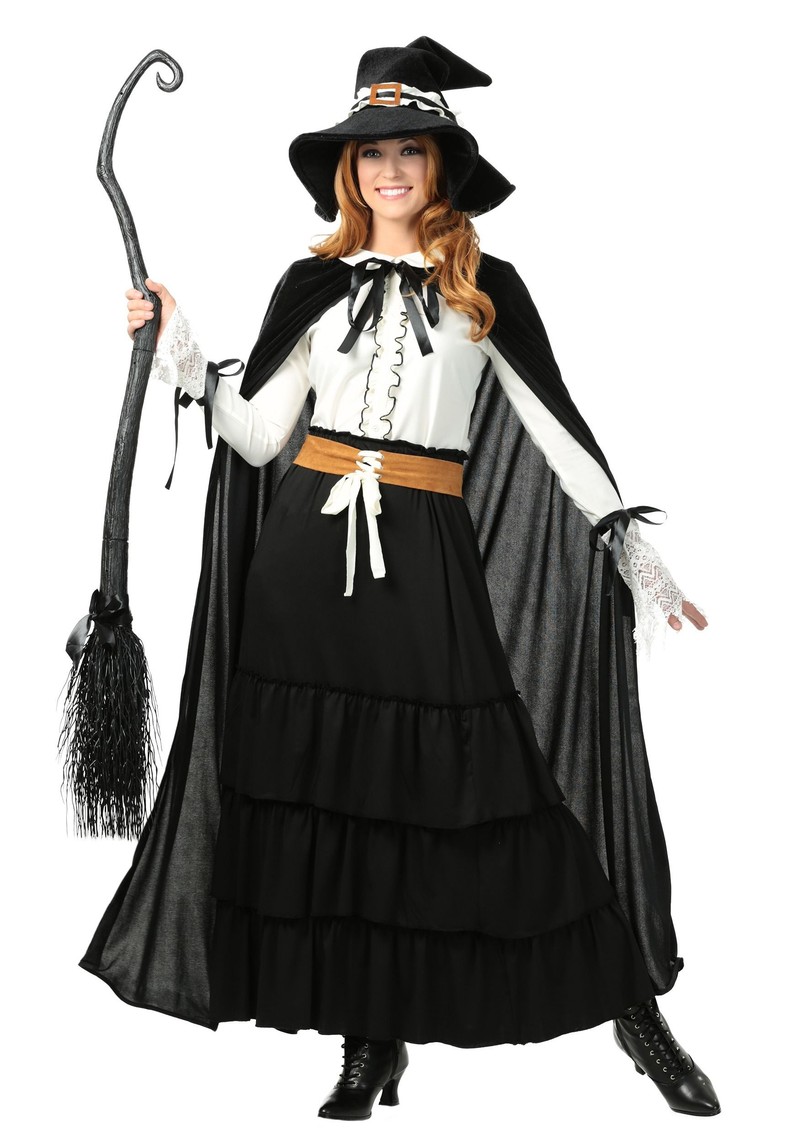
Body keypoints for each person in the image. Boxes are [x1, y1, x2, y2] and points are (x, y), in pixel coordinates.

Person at [81, 36, 719, 1121]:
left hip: (423, 562)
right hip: (302, 571)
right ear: (348, 171)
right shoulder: (310, 286)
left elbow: (554, 428)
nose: (388, 170)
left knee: (492, 791)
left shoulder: (485, 291)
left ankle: (632, 1010)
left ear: (439, 167)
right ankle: (368, 1041)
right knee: (337, 802)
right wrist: (178, 341)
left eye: (408, 151)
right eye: (370, 153)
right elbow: (256, 432)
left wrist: (630, 544)